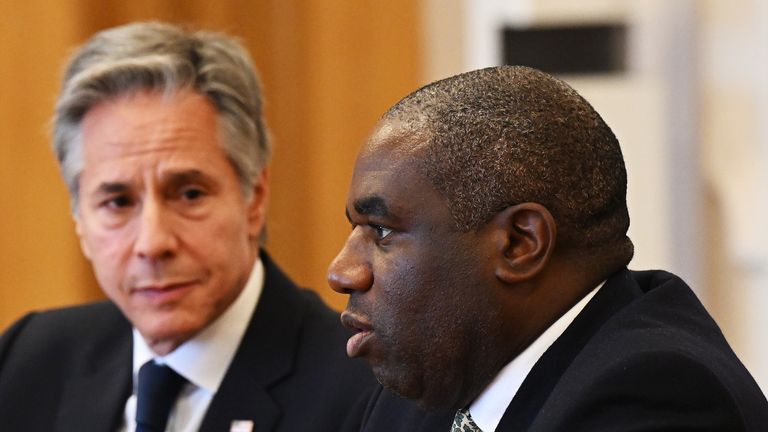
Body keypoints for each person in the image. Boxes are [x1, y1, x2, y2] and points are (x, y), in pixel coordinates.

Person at [328, 65, 768, 431]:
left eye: (381, 231)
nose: (342, 271)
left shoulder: (658, 394)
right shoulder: (420, 394)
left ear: (521, 243)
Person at [0, 21, 372, 432]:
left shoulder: (364, 392)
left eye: (189, 194)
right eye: (118, 202)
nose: (153, 242)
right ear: (79, 220)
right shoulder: (27, 362)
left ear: (255, 196)